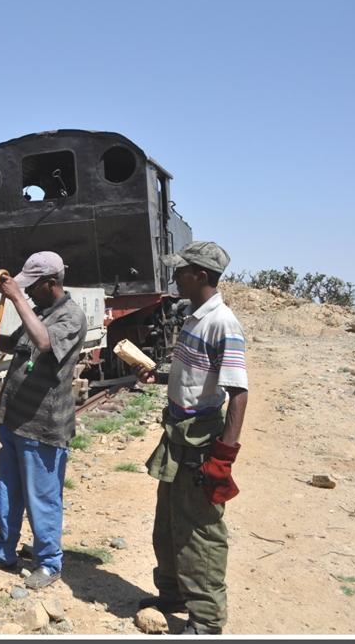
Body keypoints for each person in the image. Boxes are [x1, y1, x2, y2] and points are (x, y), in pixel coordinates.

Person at [131, 241, 248, 636]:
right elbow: (195, 379)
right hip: (176, 434)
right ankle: (173, 594)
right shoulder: (194, 317)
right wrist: (157, 376)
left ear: (201, 276)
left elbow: (238, 391)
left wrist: (223, 456)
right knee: (166, 522)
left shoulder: (222, 323)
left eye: (181, 272)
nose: (174, 277)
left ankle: (207, 620)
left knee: (200, 531)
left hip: (201, 442)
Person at [0, 251, 88, 590]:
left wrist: (16, 297)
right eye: (24, 288)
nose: (28, 292)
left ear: (51, 283)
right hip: (15, 420)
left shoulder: (71, 317)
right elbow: (17, 343)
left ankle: (49, 563)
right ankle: (3, 552)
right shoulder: (40, 310)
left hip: (43, 424)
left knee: (42, 497)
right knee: (5, 491)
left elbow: (44, 342)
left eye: (32, 286)